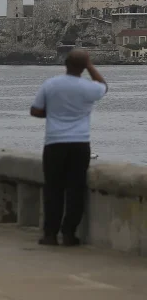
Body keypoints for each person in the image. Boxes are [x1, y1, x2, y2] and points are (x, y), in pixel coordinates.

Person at [31, 50, 107, 247]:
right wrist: (90, 65)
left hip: (54, 142)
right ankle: (69, 234)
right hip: (80, 143)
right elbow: (104, 87)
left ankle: (49, 234)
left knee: (53, 189)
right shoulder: (88, 87)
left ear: (65, 64)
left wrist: (54, 114)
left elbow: (35, 110)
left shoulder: (51, 84)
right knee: (75, 189)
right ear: (83, 67)